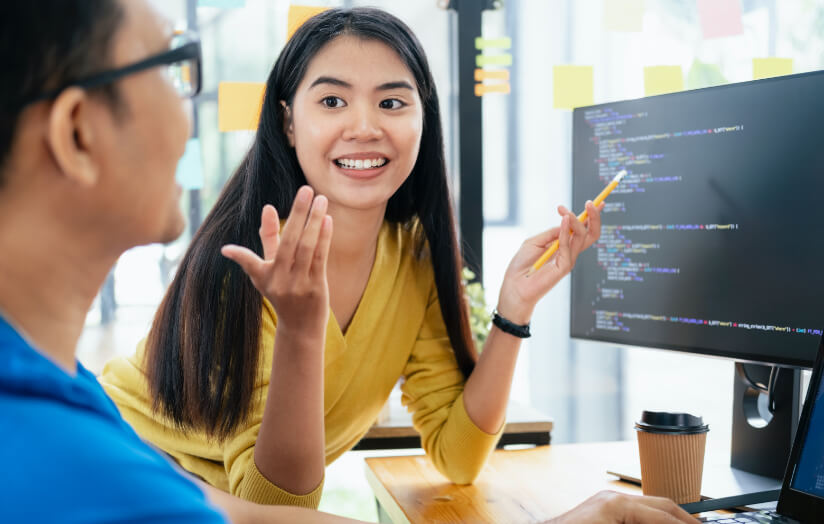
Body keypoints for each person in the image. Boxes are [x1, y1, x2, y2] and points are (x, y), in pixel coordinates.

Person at [0, 1, 698, 522]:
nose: (365, 126)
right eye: (175, 69)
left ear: (424, 118)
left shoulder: (416, 255)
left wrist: (513, 312)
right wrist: (304, 328)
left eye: (392, 101)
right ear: (288, 120)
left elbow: (451, 457)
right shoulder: (249, 262)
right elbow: (269, 505)